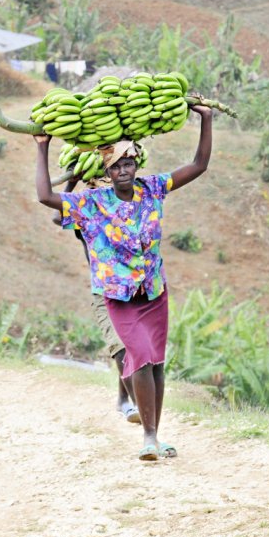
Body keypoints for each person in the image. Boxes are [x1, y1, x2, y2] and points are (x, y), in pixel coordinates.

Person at [35, 103, 213, 460]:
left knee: (157, 363)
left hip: (153, 291)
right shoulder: (92, 203)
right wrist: (42, 146)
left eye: (128, 163)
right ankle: (148, 438)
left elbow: (198, 166)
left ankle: (155, 436)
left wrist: (206, 120)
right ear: (107, 170)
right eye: (116, 165)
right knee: (140, 358)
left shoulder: (153, 189)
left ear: (136, 165)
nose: (123, 170)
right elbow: (46, 197)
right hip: (118, 297)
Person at [51, 179, 139, 425]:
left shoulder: (123, 214)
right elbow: (58, 217)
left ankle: (124, 400)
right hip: (105, 290)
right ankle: (138, 409)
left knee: (132, 347)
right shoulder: (88, 218)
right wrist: (72, 181)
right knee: (120, 347)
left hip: (133, 287)